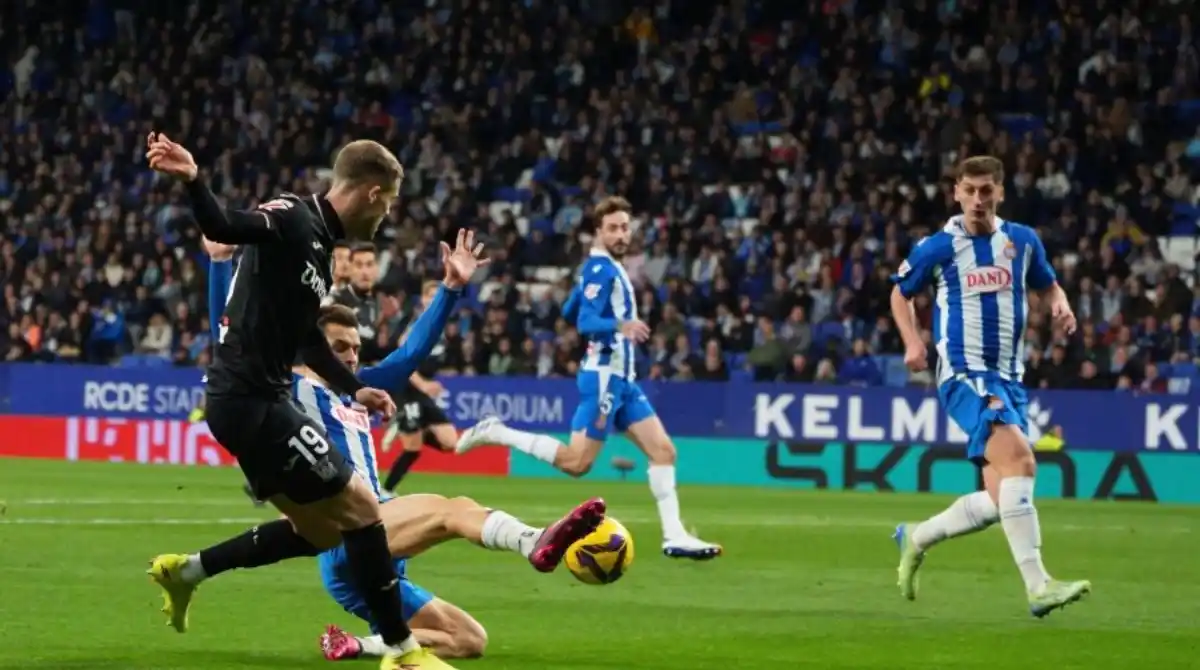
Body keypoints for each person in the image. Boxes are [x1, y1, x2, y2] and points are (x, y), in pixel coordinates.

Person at [201, 242, 605, 660]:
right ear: (313, 348)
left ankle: (356, 645)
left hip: (370, 548)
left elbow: (411, 353)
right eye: (340, 348)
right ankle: (534, 540)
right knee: (452, 509)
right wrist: (219, 262)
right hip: (349, 530)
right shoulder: (286, 387)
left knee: (471, 641)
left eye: (356, 348)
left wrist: (450, 287)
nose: (353, 357)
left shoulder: (358, 391)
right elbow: (226, 342)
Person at [143, 132, 449, 670]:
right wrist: (194, 179)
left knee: (319, 531)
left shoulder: (321, 256)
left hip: (252, 402)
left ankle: (185, 571)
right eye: (391, 203)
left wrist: (357, 388)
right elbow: (223, 226)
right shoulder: (291, 216)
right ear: (374, 193)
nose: (386, 217)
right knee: (361, 510)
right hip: (252, 399)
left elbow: (308, 339)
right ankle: (403, 651)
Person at [456, 196, 722, 560]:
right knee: (576, 463)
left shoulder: (602, 268)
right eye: (612, 228)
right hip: (604, 379)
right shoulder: (602, 269)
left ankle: (674, 536)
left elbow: (570, 309)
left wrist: (584, 295)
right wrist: (619, 324)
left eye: (625, 227)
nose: (621, 234)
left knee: (663, 451)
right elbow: (583, 322)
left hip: (623, 381)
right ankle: (496, 431)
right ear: (598, 231)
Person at [889, 155, 1091, 618]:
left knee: (1003, 499)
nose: (978, 199)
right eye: (970, 190)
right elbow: (900, 293)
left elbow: (1049, 285)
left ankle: (915, 537)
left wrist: (1061, 306)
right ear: (956, 193)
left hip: (1010, 378)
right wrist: (912, 341)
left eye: (987, 190)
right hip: (964, 373)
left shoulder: (1022, 241)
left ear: (1000, 192)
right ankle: (1039, 587)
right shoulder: (937, 248)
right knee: (1021, 459)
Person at [380, 280, 459, 492]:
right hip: (404, 389)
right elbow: (401, 360)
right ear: (423, 300)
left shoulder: (440, 327)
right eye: (430, 296)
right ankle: (386, 491)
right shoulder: (416, 324)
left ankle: (409, 425)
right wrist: (423, 384)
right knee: (413, 448)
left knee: (450, 441)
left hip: (420, 391)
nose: (435, 301)